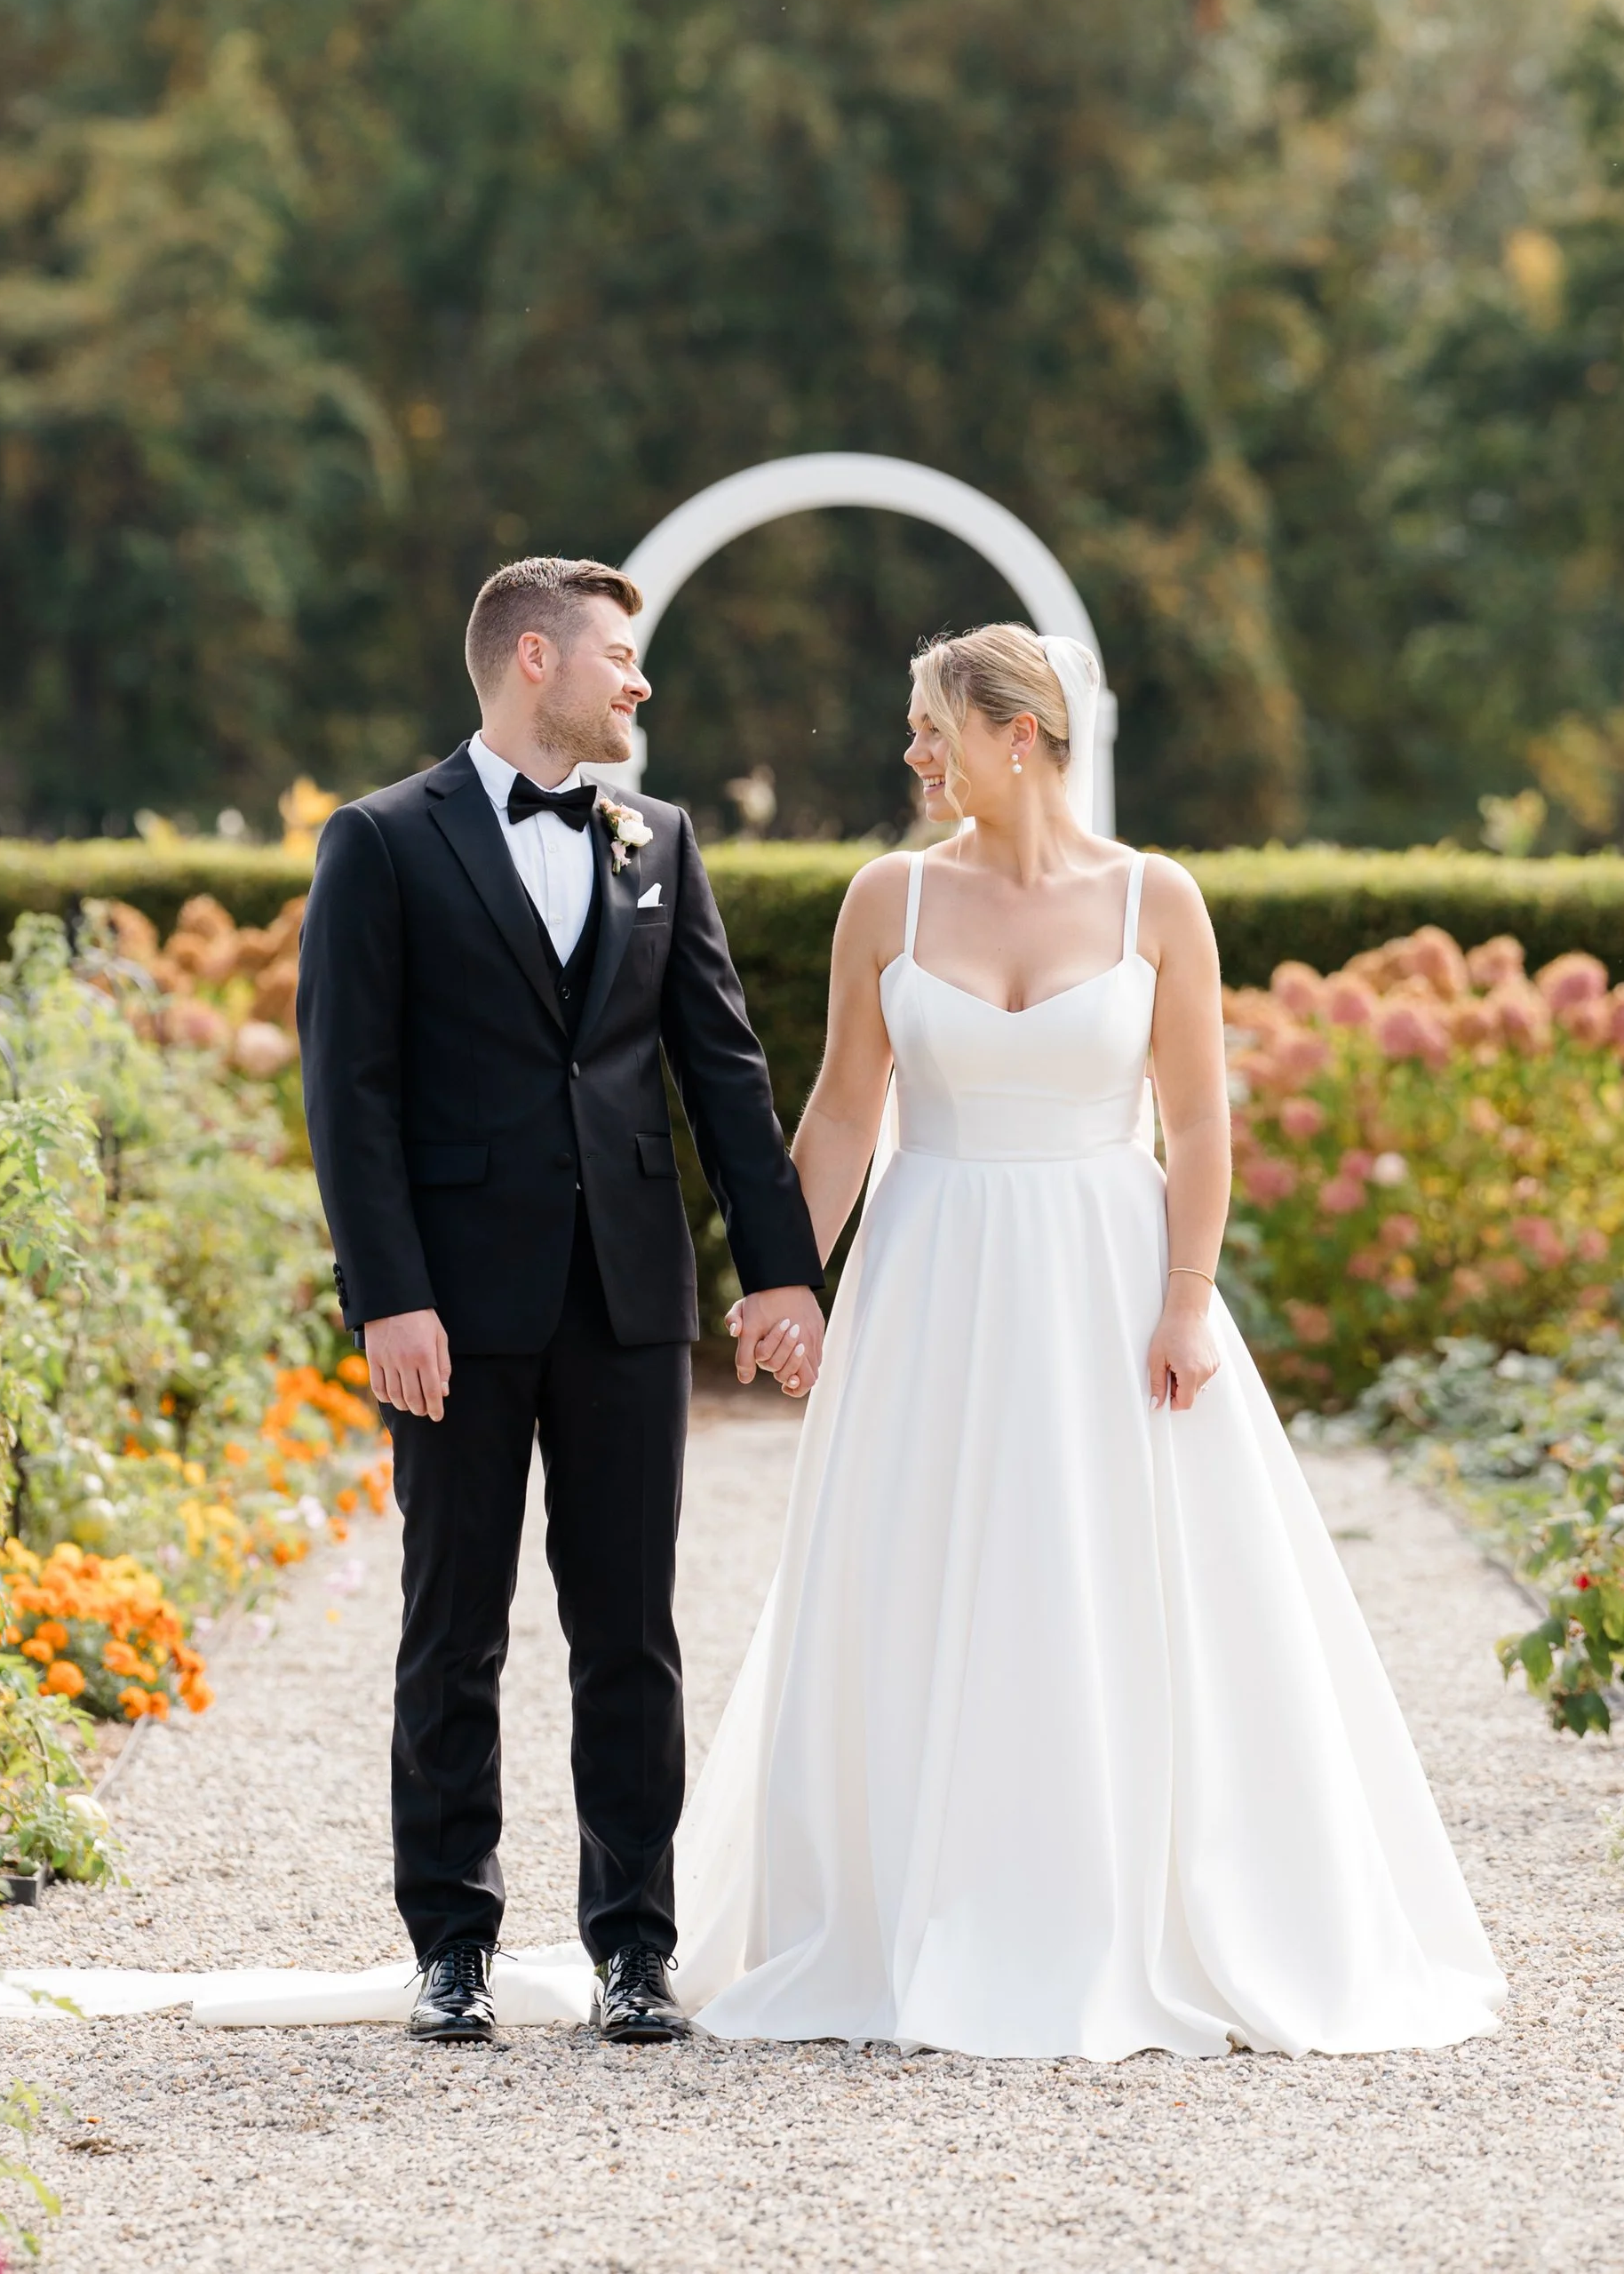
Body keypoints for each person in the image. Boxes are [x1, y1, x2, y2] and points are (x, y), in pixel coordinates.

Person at [673, 623, 1506, 2058]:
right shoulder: (887, 897)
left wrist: (1189, 1295)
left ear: (1021, 735)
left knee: (1115, 1574)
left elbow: (1197, 1118)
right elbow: (843, 1114)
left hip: (1108, 1279)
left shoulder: (1156, 899)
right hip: (930, 1275)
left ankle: (1127, 1904)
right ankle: (905, 1905)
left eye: (935, 728)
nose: (914, 754)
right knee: (923, 1568)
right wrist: (788, 1278)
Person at [297, 557, 824, 2047]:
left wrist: (782, 1264)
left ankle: (633, 1948)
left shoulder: (659, 837)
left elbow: (725, 1070)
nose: (638, 683)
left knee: (630, 1628)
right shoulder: (381, 842)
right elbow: (352, 1093)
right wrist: (388, 1294)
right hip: (452, 1310)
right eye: (620, 656)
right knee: (452, 1623)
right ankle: (451, 1944)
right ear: (537, 658)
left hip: (628, 1299)